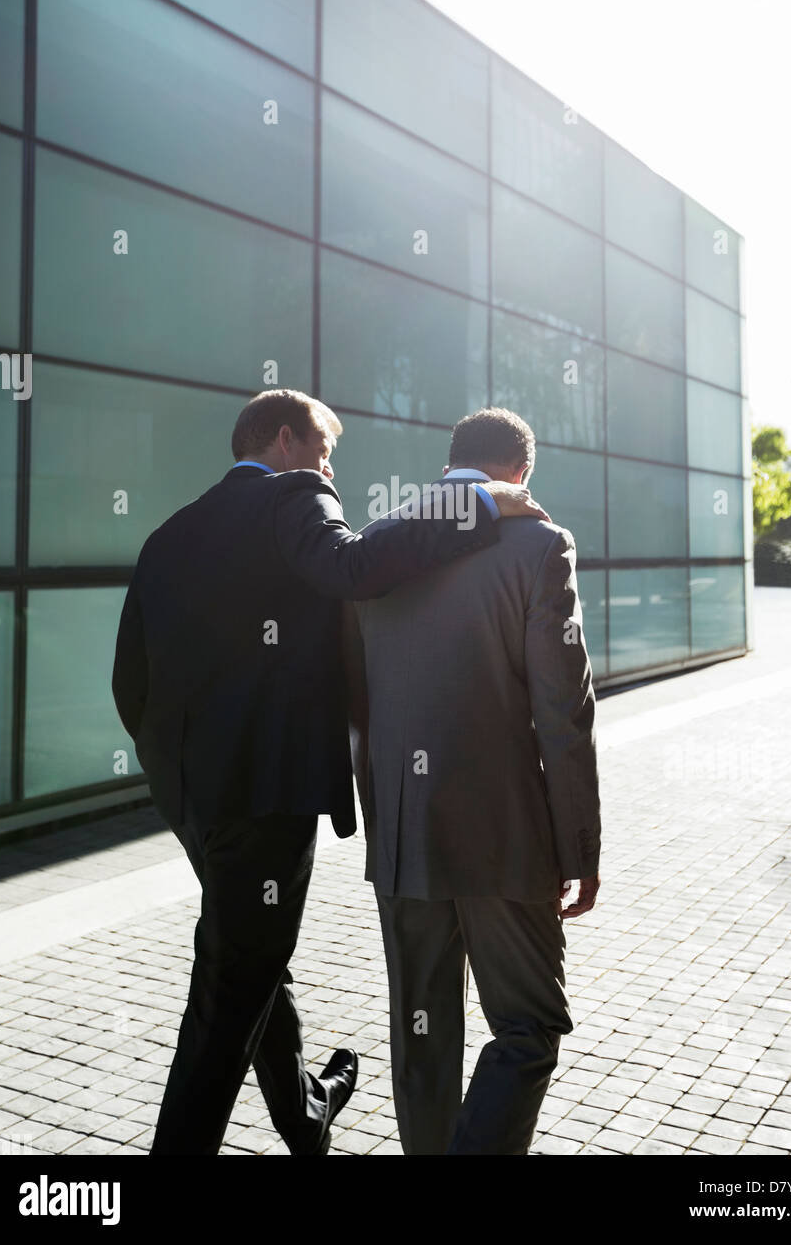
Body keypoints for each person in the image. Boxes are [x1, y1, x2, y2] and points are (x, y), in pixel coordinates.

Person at [111, 388, 544, 1156]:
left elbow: (129, 682)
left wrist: (174, 776)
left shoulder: (170, 533)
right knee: (226, 995)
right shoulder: (294, 494)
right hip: (263, 799)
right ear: (284, 441)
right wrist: (480, 504)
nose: (330, 470)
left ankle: (306, 1112)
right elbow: (356, 566)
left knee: (248, 952)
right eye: (324, 451)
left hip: (190, 797)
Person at [347, 407, 602, 1155]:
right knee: (528, 1026)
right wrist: (578, 847)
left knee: (421, 1034)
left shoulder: (375, 546)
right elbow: (563, 712)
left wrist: (383, 818)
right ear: (521, 472)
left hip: (403, 834)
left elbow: (354, 698)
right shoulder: (538, 544)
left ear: (450, 462)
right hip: (505, 836)